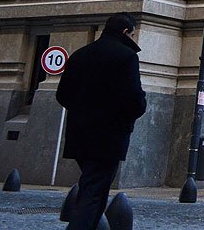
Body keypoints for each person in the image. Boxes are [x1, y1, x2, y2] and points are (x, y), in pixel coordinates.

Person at [56, 13, 147, 230]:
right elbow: (134, 100)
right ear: (125, 32)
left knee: (90, 187)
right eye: (133, 34)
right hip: (109, 137)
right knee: (94, 194)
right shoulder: (126, 57)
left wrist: (82, 111)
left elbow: (62, 95)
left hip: (80, 136)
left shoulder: (80, 55)